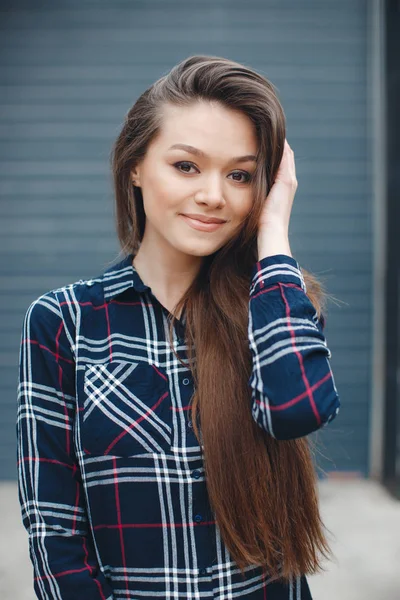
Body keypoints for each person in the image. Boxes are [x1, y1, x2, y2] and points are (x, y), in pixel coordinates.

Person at [16, 55, 340, 599]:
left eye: (240, 175)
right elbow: (54, 532)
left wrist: (275, 228)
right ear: (136, 167)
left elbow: (296, 411)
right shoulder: (63, 321)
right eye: (186, 165)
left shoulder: (279, 303)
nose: (214, 194)